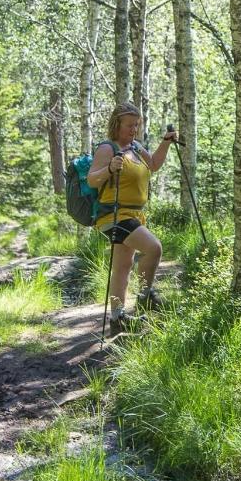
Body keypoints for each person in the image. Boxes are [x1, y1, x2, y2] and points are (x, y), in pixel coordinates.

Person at [85, 103, 178, 336]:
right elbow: (91, 180)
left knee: (122, 266)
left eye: (137, 124)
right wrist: (109, 169)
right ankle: (146, 295)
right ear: (117, 124)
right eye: (129, 125)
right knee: (153, 248)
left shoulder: (136, 147)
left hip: (135, 214)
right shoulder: (108, 148)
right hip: (115, 214)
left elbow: (154, 165)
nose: (134, 129)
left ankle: (118, 319)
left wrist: (165, 142)